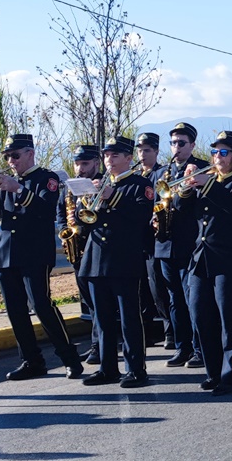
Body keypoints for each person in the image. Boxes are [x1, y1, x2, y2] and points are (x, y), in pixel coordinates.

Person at [0, 133, 83, 381]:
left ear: (30, 153)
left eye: (15, 155)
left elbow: (45, 210)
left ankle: (70, 358)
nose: (11, 161)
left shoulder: (46, 178)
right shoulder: (8, 182)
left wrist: (18, 188)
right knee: (15, 310)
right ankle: (31, 361)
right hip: (7, 253)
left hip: (34, 253)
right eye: (7, 157)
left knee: (41, 305)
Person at [179, 131, 232, 395]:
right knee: (200, 315)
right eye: (215, 152)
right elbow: (183, 211)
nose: (217, 157)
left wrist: (207, 185)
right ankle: (213, 373)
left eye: (223, 153)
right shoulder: (210, 180)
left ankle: (230, 377)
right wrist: (186, 189)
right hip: (203, 256)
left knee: (229, 319)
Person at [78, 136, 153, 388]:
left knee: (130, 317)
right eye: (107, 156)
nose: (109, 160)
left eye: (115, 156)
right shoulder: (99, 184)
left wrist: (113, 197)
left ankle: (136, 369)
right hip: (96, 257)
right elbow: (85, 223)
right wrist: (83, 202)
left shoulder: (139, 185)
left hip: (124, 259)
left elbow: (141, 217)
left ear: (129, 159)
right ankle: (107, 367)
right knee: (102, 317)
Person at [151, 122, 208, 369]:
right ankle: (182, 347)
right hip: (165, 243)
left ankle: (199, 348)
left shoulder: (200, 169)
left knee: (191, 298)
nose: (176, 147)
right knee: (174, 298)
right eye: (173, 142)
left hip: (188, 242)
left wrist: (188, 184)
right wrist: (154, 217)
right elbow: (154, 201)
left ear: (192, 145)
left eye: (181, 143)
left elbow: (193, 206)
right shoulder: (163, 173)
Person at [56, 144, 103, 365]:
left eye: (85, 163)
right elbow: (60, 212)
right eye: (77, 164)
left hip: (96, 247)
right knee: (88, 301)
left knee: (99, 302)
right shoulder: (70, 187)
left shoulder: (102, 183)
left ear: (96, 163)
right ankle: (96, 344)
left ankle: (100, 345)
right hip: (77, 247)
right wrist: (64, 229)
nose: (80, 168)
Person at [136, 132, 172, 349]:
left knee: (158, 288)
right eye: (139, 150)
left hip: (153, 238)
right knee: (140, 290)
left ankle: (170, 331)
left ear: (156, 151)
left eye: (147, 150)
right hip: (135, 240)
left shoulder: (160, 173)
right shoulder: (133, 175)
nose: (142, 155)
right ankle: (145, 332)